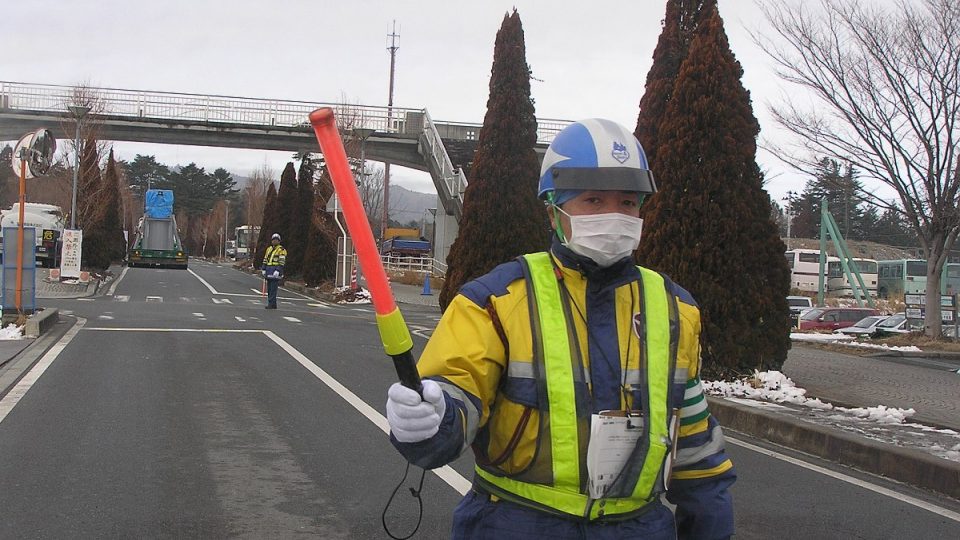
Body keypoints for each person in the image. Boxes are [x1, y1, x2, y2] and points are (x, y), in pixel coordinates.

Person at [386, 119, 735, 539]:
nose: (615, 216)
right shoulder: (494, 300)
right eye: (593, 200)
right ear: (553, 210)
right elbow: (456, 395)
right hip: (515, 525)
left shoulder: (676, 308)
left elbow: (697, 453)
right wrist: (431, 421)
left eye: (627, 202)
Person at [261, 232, 286, 309]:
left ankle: (271, 304)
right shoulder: (269, 249)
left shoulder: (282, 250)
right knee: (269, 288)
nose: (274, 241)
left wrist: (278, 270)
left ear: (279, 241)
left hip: (275, 271)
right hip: (268, 270)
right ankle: (272, 303)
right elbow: (265, 259)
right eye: (273, 240)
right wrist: (263, 268)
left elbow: (282, 262)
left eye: (276, 240)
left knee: (273, 289)